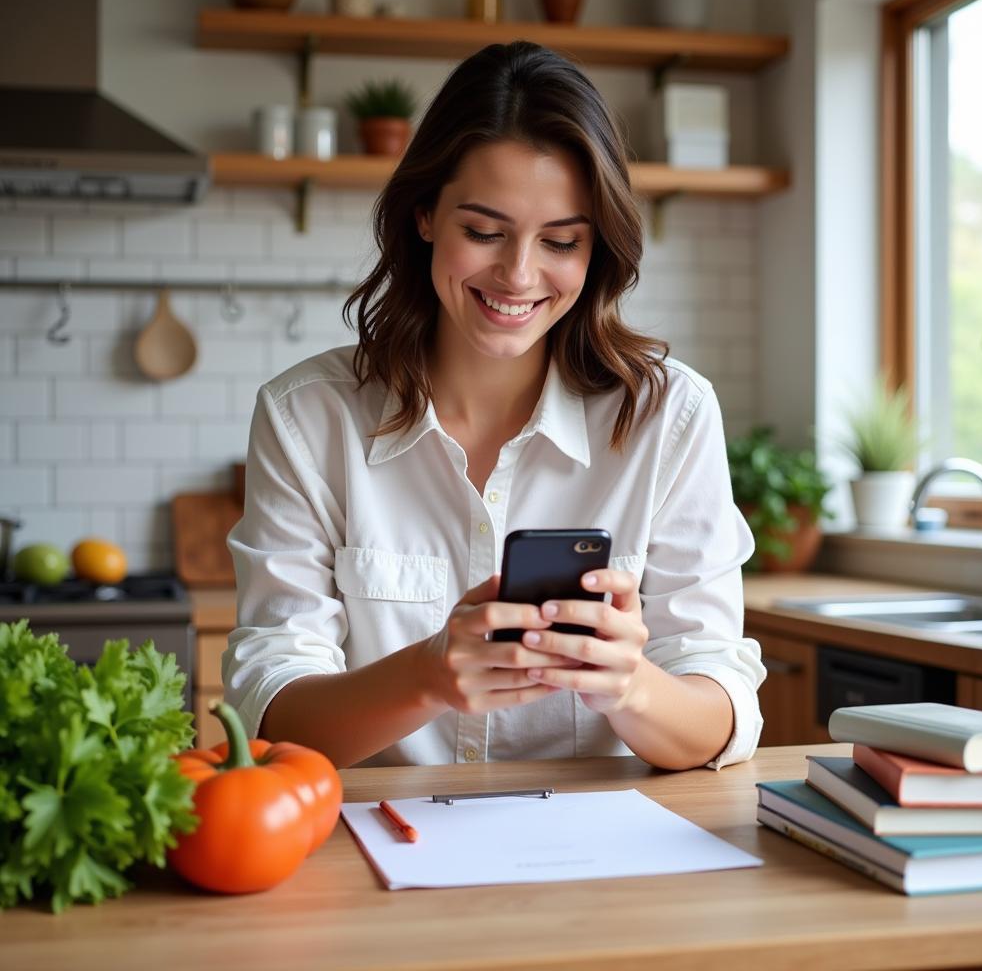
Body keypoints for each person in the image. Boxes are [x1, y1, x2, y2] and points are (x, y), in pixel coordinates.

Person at [223, 41, 765, 771]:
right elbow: (272, 717)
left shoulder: (670, 415)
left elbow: (722, 712)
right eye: (483, 232)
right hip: (377, 858)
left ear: (596, 248)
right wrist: (426, 676)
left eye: (562, 241)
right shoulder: (306, 419)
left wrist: (630, 686)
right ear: (424, 216)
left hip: (604, 868)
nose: (517, 275)